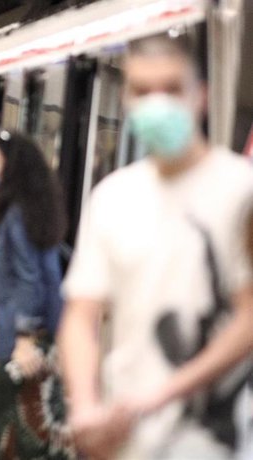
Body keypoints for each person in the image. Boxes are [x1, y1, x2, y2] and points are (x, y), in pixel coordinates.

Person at [58, 34, 253, 459]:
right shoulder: (112, 197)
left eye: (171, 88)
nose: (157, 104)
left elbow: (249, 316)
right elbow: (81, 314)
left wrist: (161, 395)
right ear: (126, 99)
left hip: (222, 440)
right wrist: (86, 405)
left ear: (199, 96)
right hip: (128, 437)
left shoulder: (242, 191)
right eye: (143, 91)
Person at [0, 131, 72, 459]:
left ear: (11, 167)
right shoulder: (29, 211)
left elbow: (29, 280)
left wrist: (24, 338)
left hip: (24, 345)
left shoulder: (15, 215)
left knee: (2, 434)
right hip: (32, 338)